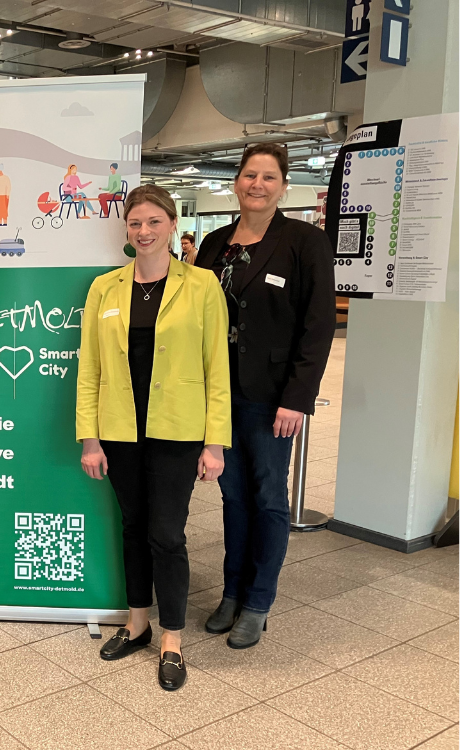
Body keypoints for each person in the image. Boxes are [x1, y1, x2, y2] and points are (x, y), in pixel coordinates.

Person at [77, 184, 230, 691]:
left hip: (178, 431)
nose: (144, 232)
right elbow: (90, 369)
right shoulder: (105, 288)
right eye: (136, 223)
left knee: (167, 534)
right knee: (132, 527)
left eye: (154, 222)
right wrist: (90, 438)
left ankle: (172, 639)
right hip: (120, 432)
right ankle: (137, 623)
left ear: (171, 223)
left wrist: (214, 443)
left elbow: (216, 368)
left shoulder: (202, 285)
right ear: (127, 228)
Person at [194, 144, 335, 649]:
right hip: (216, 395)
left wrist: (297, 398)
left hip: (272, 397)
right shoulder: (213, 244)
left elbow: (317, 327)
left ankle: (258, 602)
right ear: (236, 181)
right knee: (233, 497)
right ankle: (231, 592)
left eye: (268, 177)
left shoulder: (304, 242)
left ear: (283, 185)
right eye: (250, 174)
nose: (257, 184)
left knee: (269, 498)